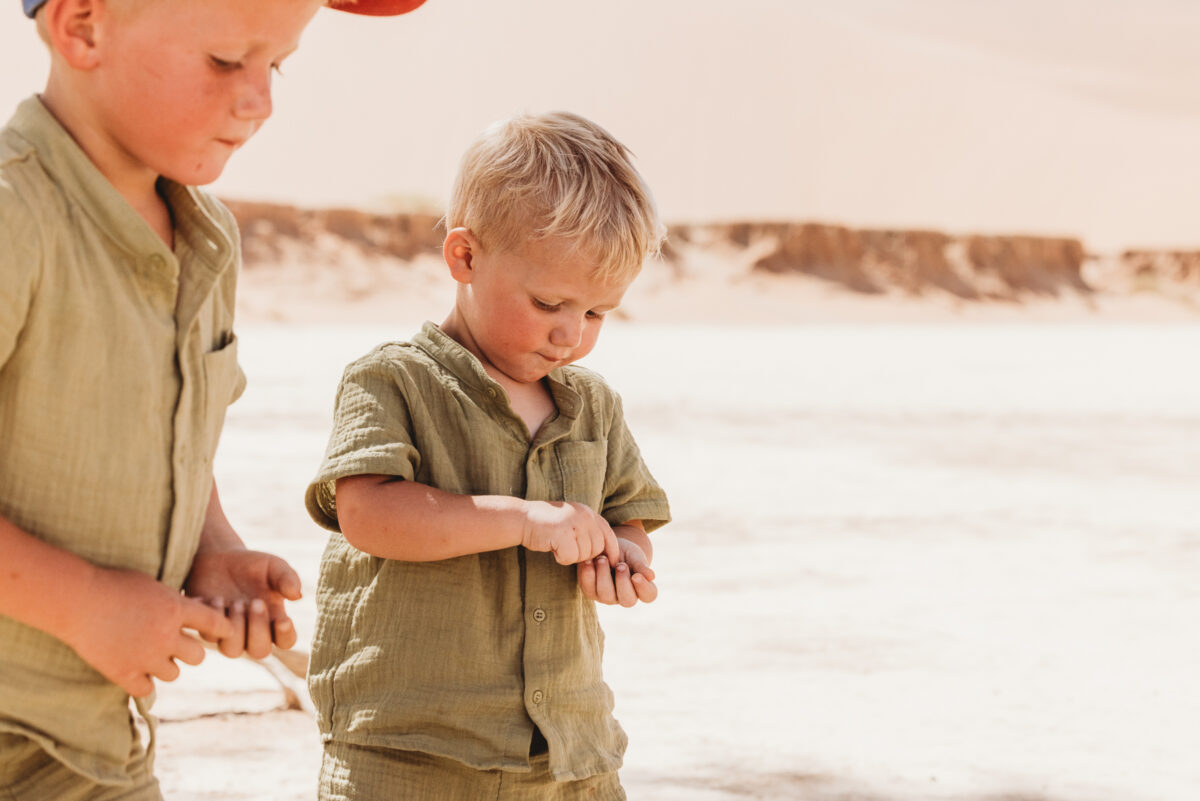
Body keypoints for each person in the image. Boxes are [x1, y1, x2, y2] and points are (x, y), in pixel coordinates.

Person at [0, 0, 425, 797]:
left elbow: (168, 433)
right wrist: (85, 604)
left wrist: (212, 544)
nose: (260, 100)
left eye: (278, 64)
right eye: (228, 61)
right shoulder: (14, 217)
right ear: (83, 27)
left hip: (100, 742)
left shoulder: (205, 240)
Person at [304, 110, 670, 800]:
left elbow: (630, 514)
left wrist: (623, 558)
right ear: (465, 257)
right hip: (413, 751)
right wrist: (526, 519)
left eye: (597, 313)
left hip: (565, 751)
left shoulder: (592, 405)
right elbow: (369, 514)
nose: (571, 333)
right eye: (550, 302)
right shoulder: (392, 379)